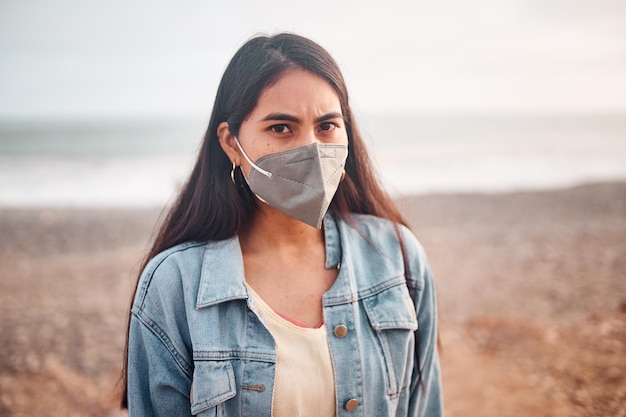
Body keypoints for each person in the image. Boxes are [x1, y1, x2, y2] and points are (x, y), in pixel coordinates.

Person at [121, 32, 443, 417]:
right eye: (281, 128)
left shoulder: (397, 256)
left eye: (326, 126)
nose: (311, 148)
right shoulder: (173, 285)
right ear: (230, 144)